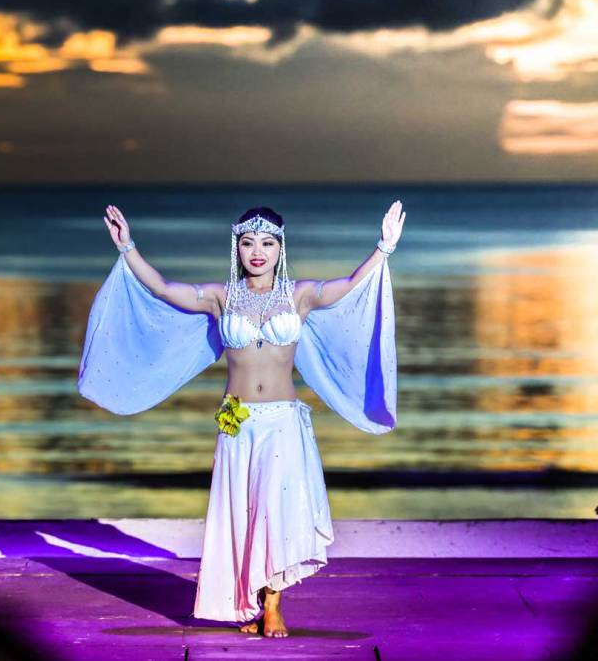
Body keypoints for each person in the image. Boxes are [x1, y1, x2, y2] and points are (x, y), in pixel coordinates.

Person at [78, 203, 404, 637]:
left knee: (275, 513)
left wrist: (383, 248)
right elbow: (161, 288)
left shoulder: (298, 294)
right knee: (243, 514)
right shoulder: (221, 296)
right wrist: (128, 247)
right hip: (235, 419)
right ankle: (247, 601)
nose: (257, 251)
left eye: (267, 243)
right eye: (248, 242)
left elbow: (347, 286)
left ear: (279, 248)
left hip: (283, 421)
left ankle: (272, 607)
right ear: (237, 247)